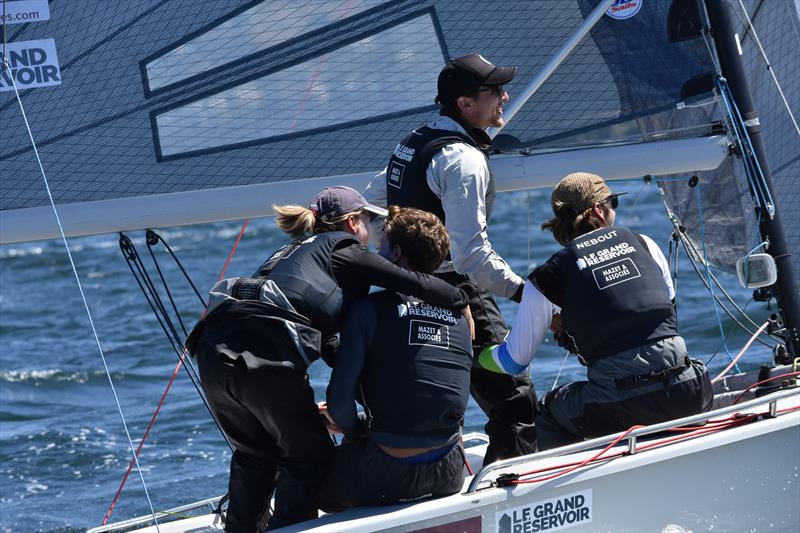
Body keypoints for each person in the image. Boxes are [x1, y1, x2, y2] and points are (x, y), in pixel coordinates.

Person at [185, 186, 469, 532]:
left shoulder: (299, 256)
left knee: (255, 455)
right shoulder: (343, 248)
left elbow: (333, 348)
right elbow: (413, 282)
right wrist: (459, 300)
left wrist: (343, 408)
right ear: (352, 223)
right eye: (369, 222)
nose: (372, 233)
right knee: (307, 458)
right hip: (262, 354)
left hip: (213, 351)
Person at [364, 53, 537, 464]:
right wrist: (524, 293)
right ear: (465, 103)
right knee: (514, 403)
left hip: (402, 289)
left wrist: (395, 257)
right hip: (454, 290)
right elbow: (471, 256)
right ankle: (517, 499)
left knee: (424, 399)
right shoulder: (464, 160)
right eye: (495, 91)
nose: (505, 97)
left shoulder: (411, 143)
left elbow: (368, 202)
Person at [477, 172, 714, 450]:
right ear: (599, 210)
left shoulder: (547, 278)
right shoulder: (645, 244)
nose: (614, 208)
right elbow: (666, 316)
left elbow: (512, 361)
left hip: (621, 404)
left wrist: (474, 354)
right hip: (691, 389)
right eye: (613, 201)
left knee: (547, 413)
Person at [318, 206, 473, 510]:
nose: (376, 252)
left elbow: (339, 402)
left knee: (303, 473)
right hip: (450, 472)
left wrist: (353, 427)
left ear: (398, 253)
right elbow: (428, 395)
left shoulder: (367, 310)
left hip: (386, 477)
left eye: (383, 245)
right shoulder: (460, 318)